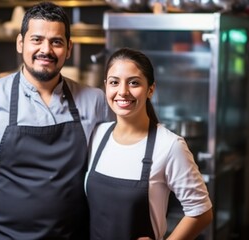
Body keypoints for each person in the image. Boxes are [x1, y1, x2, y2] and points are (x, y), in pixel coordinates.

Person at [0, 2, 113, 240]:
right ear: (20, 43)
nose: (46, 50)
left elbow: (110, 173)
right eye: (37, 40)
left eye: (56, 42)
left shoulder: (95, 102)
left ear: (69, 48)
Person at [85, 48, 213, 240]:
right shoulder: (97, 134)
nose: (123, 92)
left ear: (150, 89)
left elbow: (201, 212)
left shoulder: (170, 145)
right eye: (114, 82)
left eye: (134, 83)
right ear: (106, 86)